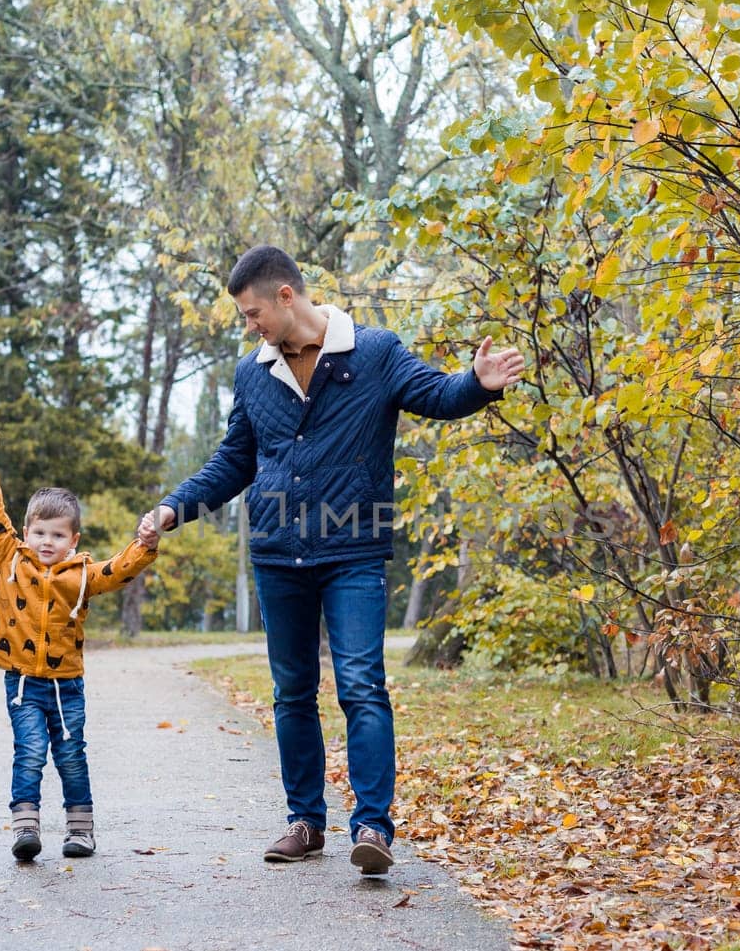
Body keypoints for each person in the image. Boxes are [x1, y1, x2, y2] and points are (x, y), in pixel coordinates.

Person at [139, 246, 525, 876]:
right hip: (277, 551)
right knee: (292, 691)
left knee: (361, 686)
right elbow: (234, 461)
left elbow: (433, 392)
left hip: (354, 547)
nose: (250, 325)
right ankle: (304, 822)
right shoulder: (253, 374)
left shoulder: (371, 352)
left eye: (253, 312)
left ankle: (372, 826)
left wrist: (476, 386)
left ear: (286, 296)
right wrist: (171, 510)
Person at [0, 436, 157, 861]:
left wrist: (145, 545)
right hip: (22, 682)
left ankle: (80, 830)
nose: (46, 542)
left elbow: (117, 570)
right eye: (38, 532)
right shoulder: (11, 560)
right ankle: (25, 827)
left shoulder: (82, 575)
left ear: (73, 539)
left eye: (57, 535)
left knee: (71, 755)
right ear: (27, 530)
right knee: (30, 752)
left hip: (66, 686)